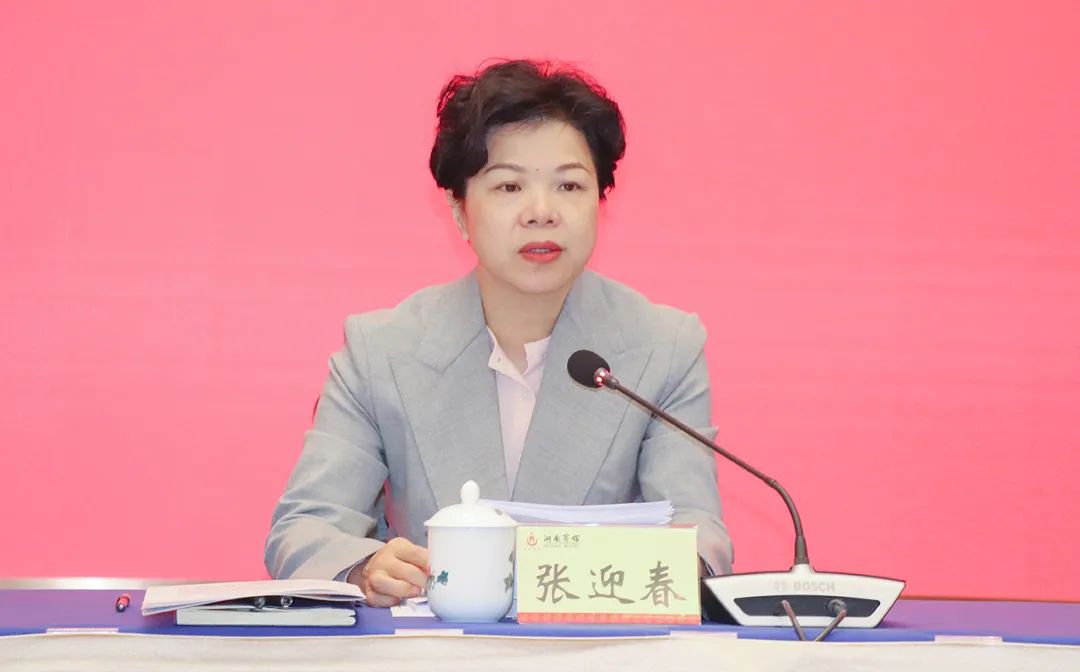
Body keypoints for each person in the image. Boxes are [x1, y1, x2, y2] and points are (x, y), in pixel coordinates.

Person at [265, 59, 733, 607]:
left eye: (569, 185)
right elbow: (306, 528)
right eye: (509, 185)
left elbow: (697, 531)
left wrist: (683, 563)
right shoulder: (380, 352)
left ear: (600, 201)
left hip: (597, 646)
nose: (542, 212)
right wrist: (365, 569)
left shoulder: (664, 347)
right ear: (459, 211)